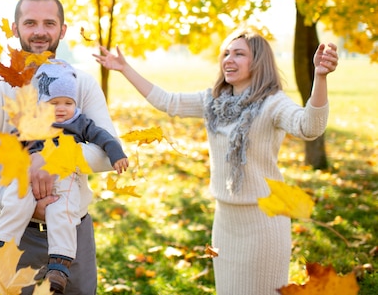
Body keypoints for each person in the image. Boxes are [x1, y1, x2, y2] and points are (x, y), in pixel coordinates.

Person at [93, 28, 339, 295]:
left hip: (264, 223)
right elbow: (168, 102)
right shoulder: (213, 101)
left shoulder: (273, 103)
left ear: (258, 61)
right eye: (226, 53)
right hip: (225, 223)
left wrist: (320, 77)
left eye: (239, 54)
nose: (228, 60)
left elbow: (309, 127)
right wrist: (124, 68)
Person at [0, 0, 117, 295]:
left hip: (74, 231)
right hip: (16, 234)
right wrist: (19, 202)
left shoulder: (82, 85)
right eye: (30, 22)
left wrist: (52, 159)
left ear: (62, 30)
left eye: (49, 23)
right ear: (15, 28)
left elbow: (107, 153)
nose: (40, 31)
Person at [0, 59, 129, 293]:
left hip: (64, 179)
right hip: (28, 178)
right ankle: (0, 251)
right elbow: (13, 142)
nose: (62, 108)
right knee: (13, 202)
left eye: (68, 102)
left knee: (61, 213)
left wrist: (117, 155)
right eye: (54, 103)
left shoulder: (79, 122)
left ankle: (59, 268)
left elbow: (103, 138)